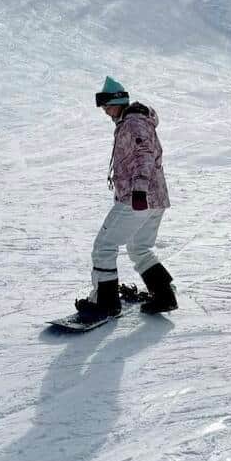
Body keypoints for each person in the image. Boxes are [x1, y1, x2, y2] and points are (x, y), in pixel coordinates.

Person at [75, 76, 177, 322]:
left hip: (138, 198)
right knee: (138, 247)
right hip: (155, 198)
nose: (104, 110)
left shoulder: (133, 123)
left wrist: (139, 190)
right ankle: (164, 294)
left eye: (107, 105)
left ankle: (105, 303)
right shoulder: (135, 121)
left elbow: (144, 154)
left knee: (104, 247)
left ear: (119, 102)